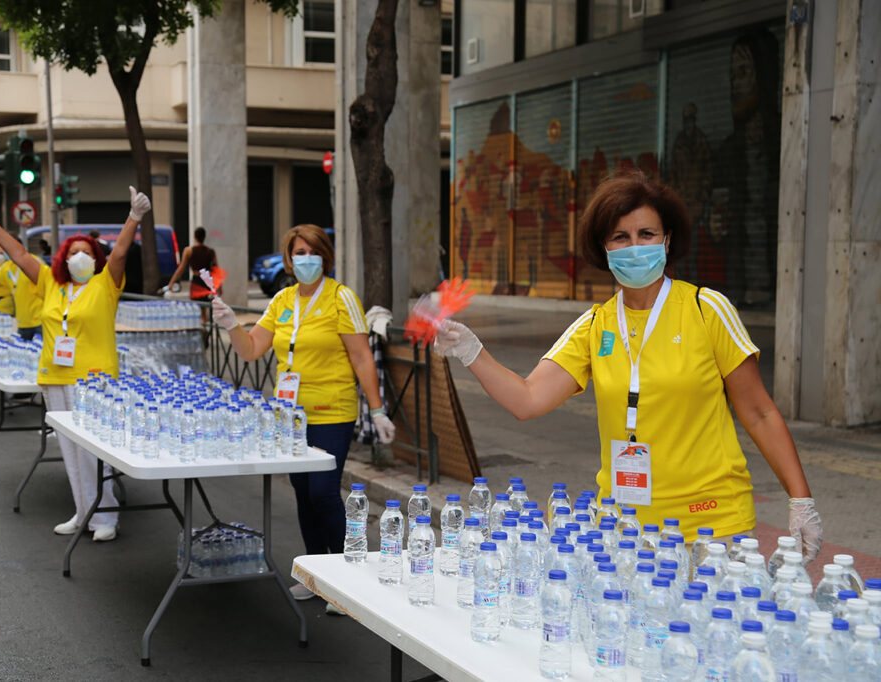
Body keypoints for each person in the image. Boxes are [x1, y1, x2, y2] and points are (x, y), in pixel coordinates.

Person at [434, 171, 823, 564]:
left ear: (667, 240)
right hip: (625, 530)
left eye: (647, 234)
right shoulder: (594, 325)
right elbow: (528, 400)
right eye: (621, 237)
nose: (634, 247)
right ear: (604, 248)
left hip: (712, 529)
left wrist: (800, 499)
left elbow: (759, 412)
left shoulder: (707, 310)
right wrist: (471, 350)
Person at [212, 224, 397, 602]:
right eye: (298, 252)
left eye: (312, 252)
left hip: (333, 409)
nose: (305, 259)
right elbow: (251, 350)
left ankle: (348, 579)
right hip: (290, 415)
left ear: (325, 257)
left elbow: (362, 356)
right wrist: (232, 325)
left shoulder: (341, 298)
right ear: (289, 258)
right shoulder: (281, 299)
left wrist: (377, 411)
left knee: (324, 491)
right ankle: (315, 574)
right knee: (301, 491)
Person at [0, 186, 152, 542]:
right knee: (70, 451)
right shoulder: (51, 282)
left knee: (96, 453)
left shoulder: (105, 283)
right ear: (63, 257)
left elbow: (121, 253)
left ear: (96, 258)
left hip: (95, 381)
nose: (80, 257)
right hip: (55, 376)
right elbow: (19, 254)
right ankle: (84, 511)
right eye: (74, 252)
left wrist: (134, 217)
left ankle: (106, 516)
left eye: (87, 253)